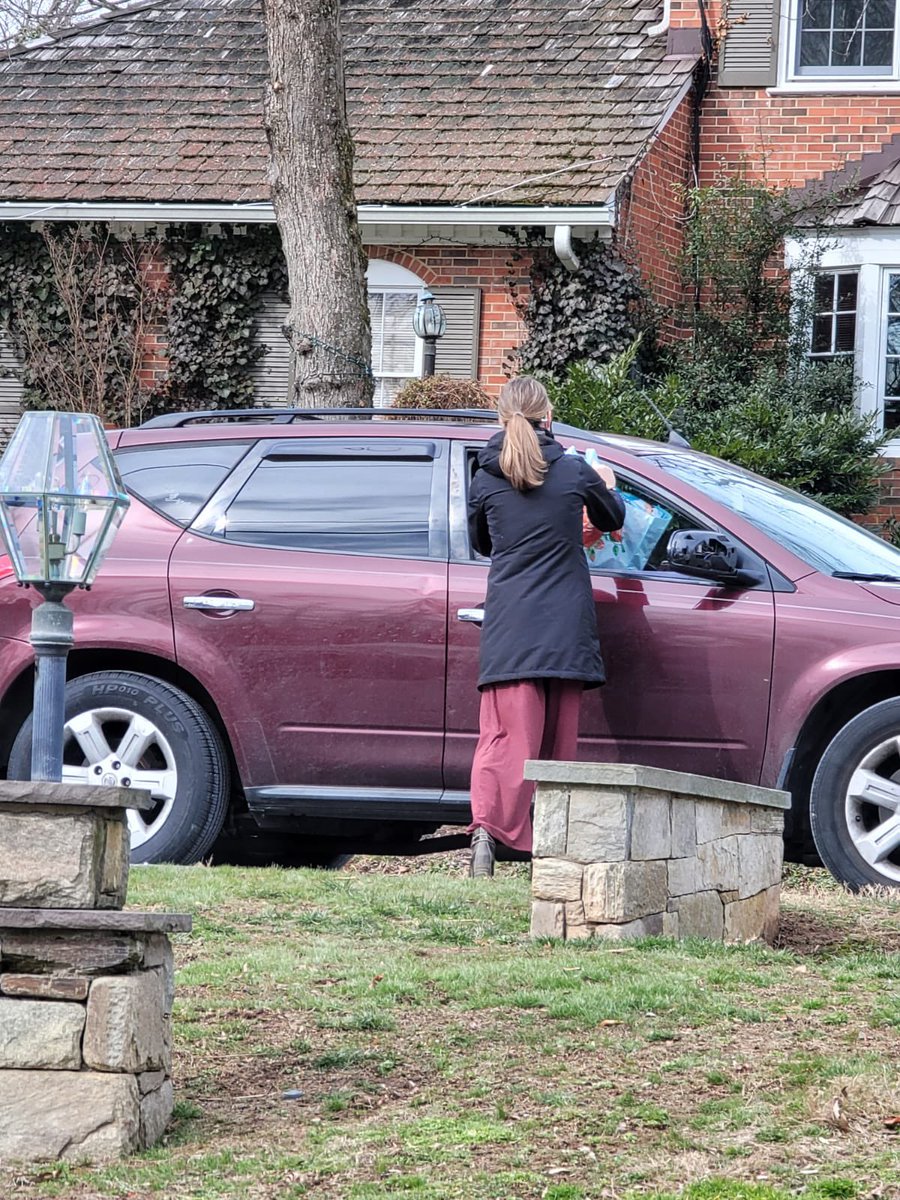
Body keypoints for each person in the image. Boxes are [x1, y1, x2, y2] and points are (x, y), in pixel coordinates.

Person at [467, 376, 626, 878]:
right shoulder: (576, 470)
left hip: (512, 622)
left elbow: (483, 545)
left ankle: (487, 836)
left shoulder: (484, 476)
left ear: (502, 418)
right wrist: (606, 483)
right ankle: (550, 850)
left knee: (503, 737)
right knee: (559, 742)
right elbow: (614, 514)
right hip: (564, 623)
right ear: (548, 418)